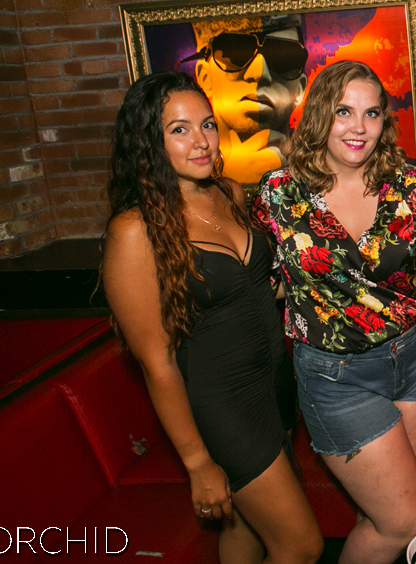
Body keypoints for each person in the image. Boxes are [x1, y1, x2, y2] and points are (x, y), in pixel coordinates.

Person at [101, 71, 323, 564]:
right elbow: (156, 361)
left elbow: (252, 286)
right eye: (179, 130)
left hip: (273, 386)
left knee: (246, 533)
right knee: (301, 547)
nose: (201, 141)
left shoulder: (229, 193)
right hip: (223, 407)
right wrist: (198, 462)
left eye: (206, 124)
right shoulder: (134, 232)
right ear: (148, 142)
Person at [252, 60, 416, 564]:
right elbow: (258, 283)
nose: (359, 127)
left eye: (372, 113)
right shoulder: (280, 193)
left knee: (380, 517)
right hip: (337, 378)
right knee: (404, 522)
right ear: (320, 114)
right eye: (344, 112)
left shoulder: (412, 186)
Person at [184, 15, 309, 183]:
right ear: (205, 78)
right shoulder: (180, 171)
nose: (259, 73)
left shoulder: (323, 165)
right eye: (236, 52)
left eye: (282, 58)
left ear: (300, 88)